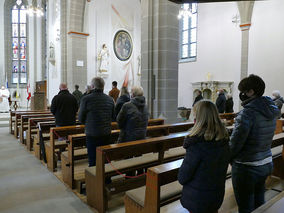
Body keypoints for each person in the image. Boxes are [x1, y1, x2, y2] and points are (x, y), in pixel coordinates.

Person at [230, 74, 280, 213]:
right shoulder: (270, 110)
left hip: (247, 166)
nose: (242, 94)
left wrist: (228, 158)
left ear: (251, 91)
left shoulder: (247, 113)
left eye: (243, 91)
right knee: (259, 203)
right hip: (265, 162)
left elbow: (235, 144)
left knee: (245, 206)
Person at [178, 100, 230, 213]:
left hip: (198, 198)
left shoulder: (196, 144)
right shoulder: (224, 138)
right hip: (216, 193)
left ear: (198, 119)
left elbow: (183, 177)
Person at [79, 77, 115, 167]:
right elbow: (114, 117)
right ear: (103, 86)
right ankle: (106, 179)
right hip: (106, 133)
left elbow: (80, 119)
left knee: (93, 159)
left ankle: (94, 180)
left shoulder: (86, 99)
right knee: (105, 159)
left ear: (92, 86)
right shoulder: (110, 99)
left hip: (92, 134)